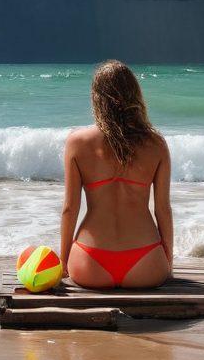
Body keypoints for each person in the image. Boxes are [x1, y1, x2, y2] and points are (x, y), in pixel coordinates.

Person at [60, 60, 173, 289]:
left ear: (96, 98)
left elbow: (70, 208)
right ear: (135, 95)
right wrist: (167, 262)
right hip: (147, 262)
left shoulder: (77, 142)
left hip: (90, 263)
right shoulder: (156, 144)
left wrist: (64, 263)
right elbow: (162, 209)